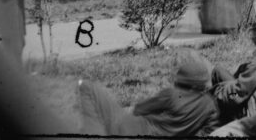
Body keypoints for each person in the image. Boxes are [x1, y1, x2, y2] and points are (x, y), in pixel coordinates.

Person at [79, 52, 219, 137]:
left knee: (88, 88)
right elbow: (209, 131)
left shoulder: (171, 95)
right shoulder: (210, 105)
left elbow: (139, 109)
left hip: (133, 128)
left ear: (181, 80)